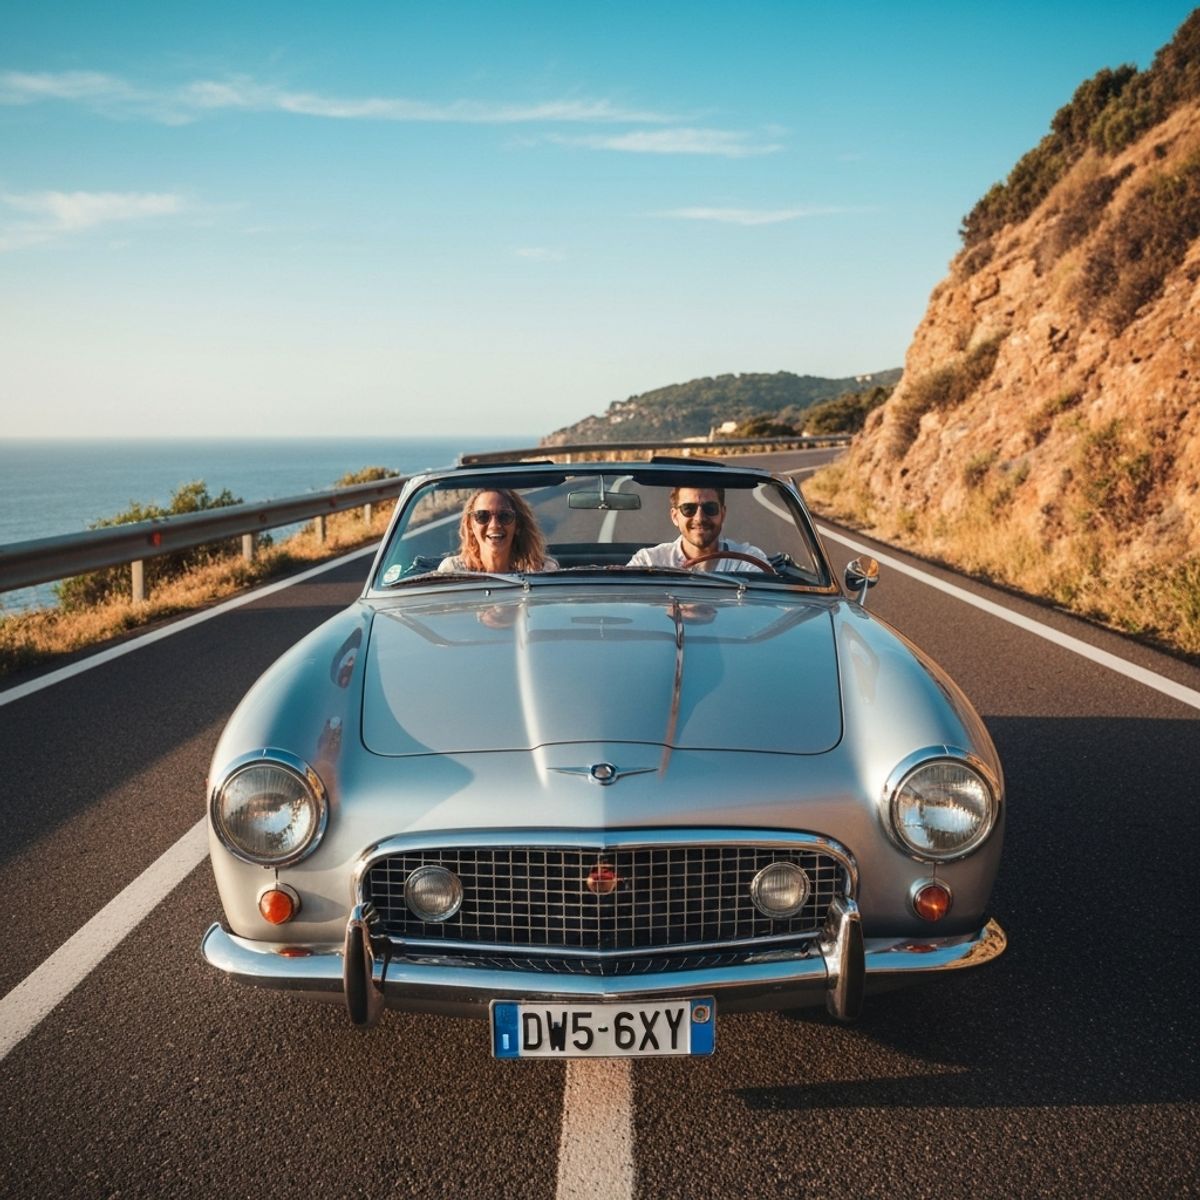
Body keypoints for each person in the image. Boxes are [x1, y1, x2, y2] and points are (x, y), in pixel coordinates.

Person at [627, 486, 768, 571]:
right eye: (689, 509)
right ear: (675, 516)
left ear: (723, 514)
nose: (699, 518)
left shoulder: (749, 561)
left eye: (710, 508)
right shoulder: (649, 561)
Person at [438, 488, 558, 573]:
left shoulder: (542, 571)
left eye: (505, 516)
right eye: (482, 516)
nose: (494, 525)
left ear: (518, 526)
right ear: (470, 526)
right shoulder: (452, 571)